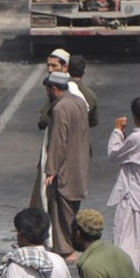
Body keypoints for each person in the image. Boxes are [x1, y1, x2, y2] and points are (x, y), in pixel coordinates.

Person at [105, 95, 140, 274]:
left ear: (135, 116)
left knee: (126, 238)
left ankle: (126, 275)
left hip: (134, 196)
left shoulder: (136, 138)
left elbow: (114, 153)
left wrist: (117, 131)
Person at [42, 71, 90, 253]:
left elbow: (58, 141)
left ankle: (65, 248)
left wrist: (51, 169)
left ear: (54, 89)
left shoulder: (60, 108)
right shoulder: (79, 102)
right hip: (80, 164)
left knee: (61, 210)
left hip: (65, 167)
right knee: (71, 208)